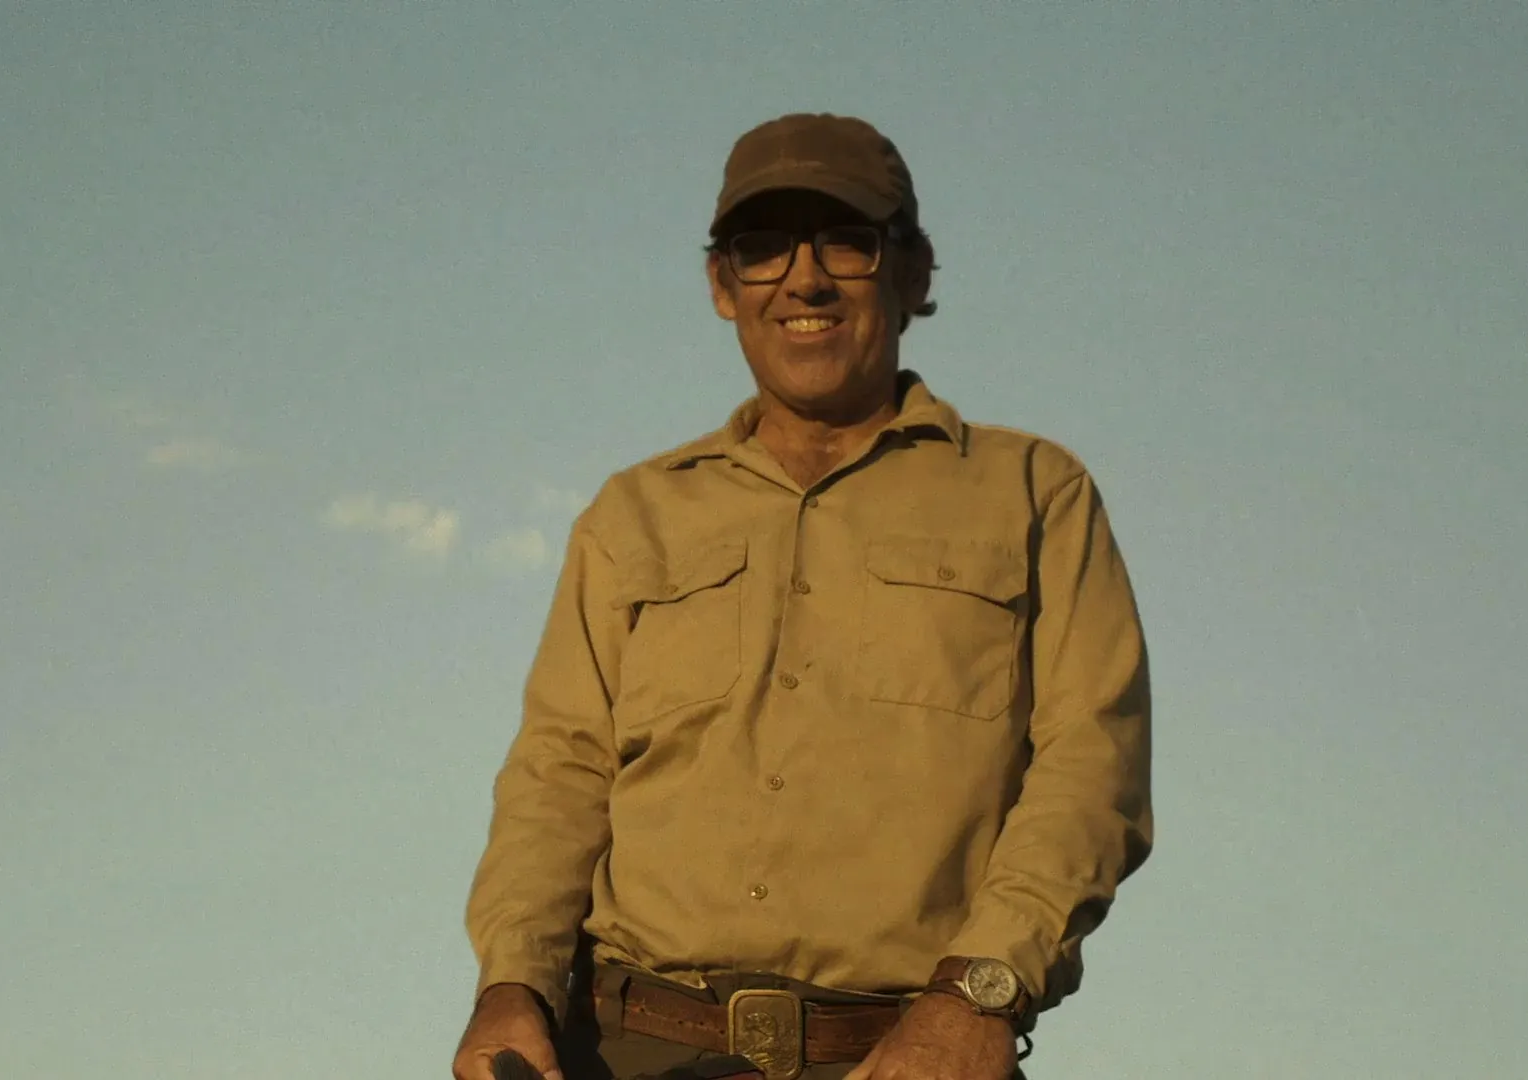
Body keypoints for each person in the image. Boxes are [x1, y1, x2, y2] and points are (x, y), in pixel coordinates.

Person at [451, 112, 1153, 1080]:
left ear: (914, 272)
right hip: (632, 1050)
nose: (805, 279)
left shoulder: (1035, 494)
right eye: (764, 247)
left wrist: (976, 996)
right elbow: (556, 778)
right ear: (721, 285)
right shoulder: (632, 515)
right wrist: (510, 989)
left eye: (847, 242)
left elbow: (1091, 771)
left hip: (912, 1056)